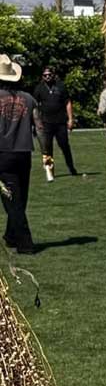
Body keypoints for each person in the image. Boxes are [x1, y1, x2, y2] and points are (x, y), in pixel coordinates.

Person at [0, 54, 35, 254]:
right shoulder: (28, 99)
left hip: (2, 153)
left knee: (12, 200)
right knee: (20, 198)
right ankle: (11, 236)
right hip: (24, 153)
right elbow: (38, 125)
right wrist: (47, 152)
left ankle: (25, 243)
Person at [33, 64, 78, 181]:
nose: (47, 77)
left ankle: (71, 167)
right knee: (47, 149)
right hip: (46, 123)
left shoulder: (60, 86)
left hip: (60, 122)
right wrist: (37, 121)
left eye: (49, 75)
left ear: (53, 75)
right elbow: (35, 106)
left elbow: (67, 102)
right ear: (42, 76)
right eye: (45, 75)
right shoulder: (39, 88)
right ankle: (50, 172)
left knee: (64, 145)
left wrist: (70, 119)